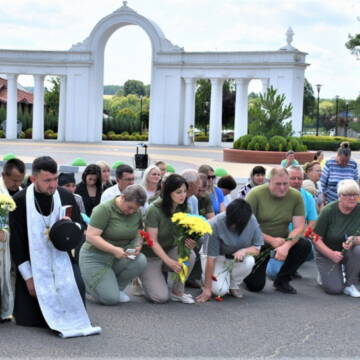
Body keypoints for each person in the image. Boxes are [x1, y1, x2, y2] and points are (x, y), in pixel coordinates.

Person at [9, 156, 100, 337]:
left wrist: (70, 227)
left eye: (55, 179)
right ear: (34, 179)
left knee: (75, 290)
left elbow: (81, 225)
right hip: (32, 261)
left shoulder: (66, 196)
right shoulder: (19, 201)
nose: (53, 185)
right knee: (29, 318)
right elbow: (16, 243)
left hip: (62, 257)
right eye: (47, 180)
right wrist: (28, 278)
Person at [243, 167, 311, 294]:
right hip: (257, 242)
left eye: (285, 183)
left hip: (281, 241)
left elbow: (299, 227)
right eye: (278, 184)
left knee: (304, 245)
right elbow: (247, 226)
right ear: (269, 182)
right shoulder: (255, 194)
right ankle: (243, 273)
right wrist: (271, 240)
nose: (283, 188)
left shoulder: (296, 196)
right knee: (255, 286)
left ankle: (282, 280)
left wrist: (287, 245)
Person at [79, 185, 147, 305]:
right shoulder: (103, 209)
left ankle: (115, 289)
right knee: (110, 299)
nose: (131, 212)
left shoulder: (136, 212)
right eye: (130, 207)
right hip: (96, 257)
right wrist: (113, 249)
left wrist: (138, 244)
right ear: (122, 197)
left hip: (119, 255)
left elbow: (138, 232)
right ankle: (88, 286)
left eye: (135, 209)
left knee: (140, 260)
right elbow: (91, 236)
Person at [140, 174, 196, 304]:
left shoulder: (185, 208)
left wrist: (189, 241)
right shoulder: (154, 209)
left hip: (170, 249)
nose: (183, 195)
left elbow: (184, 233)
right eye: (178, 192)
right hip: (151, 255)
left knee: (189, 254)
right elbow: (152, 241)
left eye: (185, 191)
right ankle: (141, 278)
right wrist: (169, 261)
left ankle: (177, 291)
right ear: (168, 192)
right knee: (160, 298)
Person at [197, 199, 263, 302]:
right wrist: (207, 288)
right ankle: (204, 280)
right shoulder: (215, 224)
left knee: (250, 261)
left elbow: (257, 249)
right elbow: (211, 259)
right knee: (219, 291)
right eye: (232, 222)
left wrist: (244, 251)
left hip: (236, 258)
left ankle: (234, 284)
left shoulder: (251, 220)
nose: (234, 226)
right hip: (217, 257)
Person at [266, 165, 318, 279]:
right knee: (274, 273)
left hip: (295, 237)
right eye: (293, 178)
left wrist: (298, 238)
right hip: (275, 240)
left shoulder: (308, 196)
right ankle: (271, 259)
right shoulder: (275, 194)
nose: (297, 181)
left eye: (299, 178)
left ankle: (291, 267)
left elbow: (312, 222)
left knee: (309, 248)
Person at [313, 179, 360, 297]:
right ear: (339, 196)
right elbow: (316, 238)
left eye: (355, 194)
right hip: (328, 251)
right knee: (334, 289)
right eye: (347, 195)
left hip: (349, 250)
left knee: (358, 249)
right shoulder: (328, 211)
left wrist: (355, 240)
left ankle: (350, 284)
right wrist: (330, 254)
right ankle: (324, 273)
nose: (352, 198)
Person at [0, 158, 25, 322]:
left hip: (10, 241)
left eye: (20, 180)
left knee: (7, 276)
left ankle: (4, 310)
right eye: (14, 180)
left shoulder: (20, 191)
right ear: (4, 175)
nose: (17, 184)